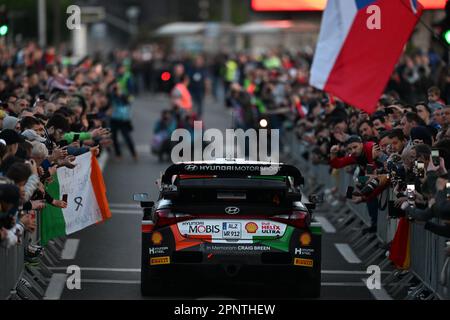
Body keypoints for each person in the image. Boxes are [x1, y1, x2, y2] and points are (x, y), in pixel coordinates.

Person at [108, 81, 137, 161]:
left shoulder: (124, 94)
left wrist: (121, 95)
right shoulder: (111, 95)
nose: (116, 88)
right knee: (114, 137)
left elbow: (128, 102)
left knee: (127, 137)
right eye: (115, 87)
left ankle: (133, 153)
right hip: (114, 118)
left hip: (123, 119)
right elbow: (108, 102)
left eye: (117, 86)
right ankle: (118, 154)